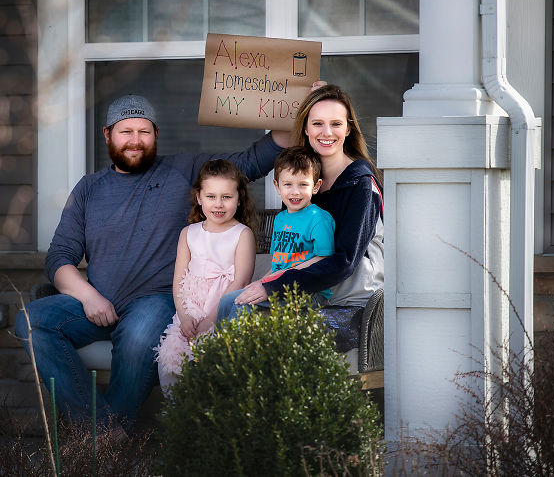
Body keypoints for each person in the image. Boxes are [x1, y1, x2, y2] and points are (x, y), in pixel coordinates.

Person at [15, 94, 290, 432]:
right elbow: (59, 257)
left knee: (140, 334)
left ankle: (100, 446)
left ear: (156, 134)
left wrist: (294, 108)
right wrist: (88, 297)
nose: (135, 140)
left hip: (156, 301)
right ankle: (104, 433)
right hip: (96, 302)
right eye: (125, 131)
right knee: (31, 321)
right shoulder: (88, 189)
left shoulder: (183, 171)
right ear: (107, 135)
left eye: (143, 131)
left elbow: (252, 161)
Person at [218, 83, 383, 322]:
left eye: (336, 124)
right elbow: (295, 248)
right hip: (305, 284)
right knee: (227, 301)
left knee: (241, 311)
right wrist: (269, 280)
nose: (327, 132)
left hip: (349, 297)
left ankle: (232, 360)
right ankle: (218, 359)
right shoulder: (301, 181)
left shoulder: (362, 184)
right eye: (317, 123)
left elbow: (344, 262)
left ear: (348, 129)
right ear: (306, 128)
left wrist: (274, 286)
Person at [153, 159, 258, 389]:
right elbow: (178, 280)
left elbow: (240, 281)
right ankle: (180, 419)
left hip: (225, 312)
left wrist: (211, 320)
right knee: (170, 365)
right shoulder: (188, 233)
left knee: (214, 368)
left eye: (226, 197)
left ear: (239, 199)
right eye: (211, 196)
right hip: (190, 311)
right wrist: (184, 316)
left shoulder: (242, 234)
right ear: (199, 198)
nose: (218, 204)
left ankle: (210, 420)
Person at [237, 146, 336, 309]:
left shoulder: (319, 218)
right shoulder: (280, 219)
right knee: (233, 300)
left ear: (316, 186)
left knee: (244, 307)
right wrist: (261, 281)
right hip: (280, 285)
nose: (295, 192)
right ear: (277, 186)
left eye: (303, 184)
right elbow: (278, 263)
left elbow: (324, 258)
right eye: (288, 184)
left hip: (310, 291)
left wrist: (284, 275)